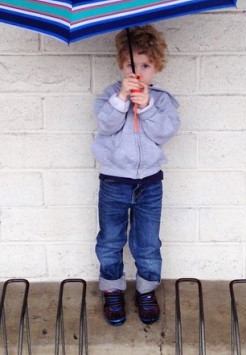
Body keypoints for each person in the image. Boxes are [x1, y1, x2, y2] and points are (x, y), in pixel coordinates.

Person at [91, 25, 181, 326]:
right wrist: (121, 98)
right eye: (132, 65)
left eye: (145, 66)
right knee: (110, 240)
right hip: (114, 182)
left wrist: (148, 107)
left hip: (150, 185)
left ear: (156, 67)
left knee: (147, 243)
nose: (138, 72)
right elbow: (106, 125)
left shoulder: (163, 100)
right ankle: (113, 288)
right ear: (121, 64)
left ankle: (145, 290)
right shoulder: (109, 97)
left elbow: (164, 132)